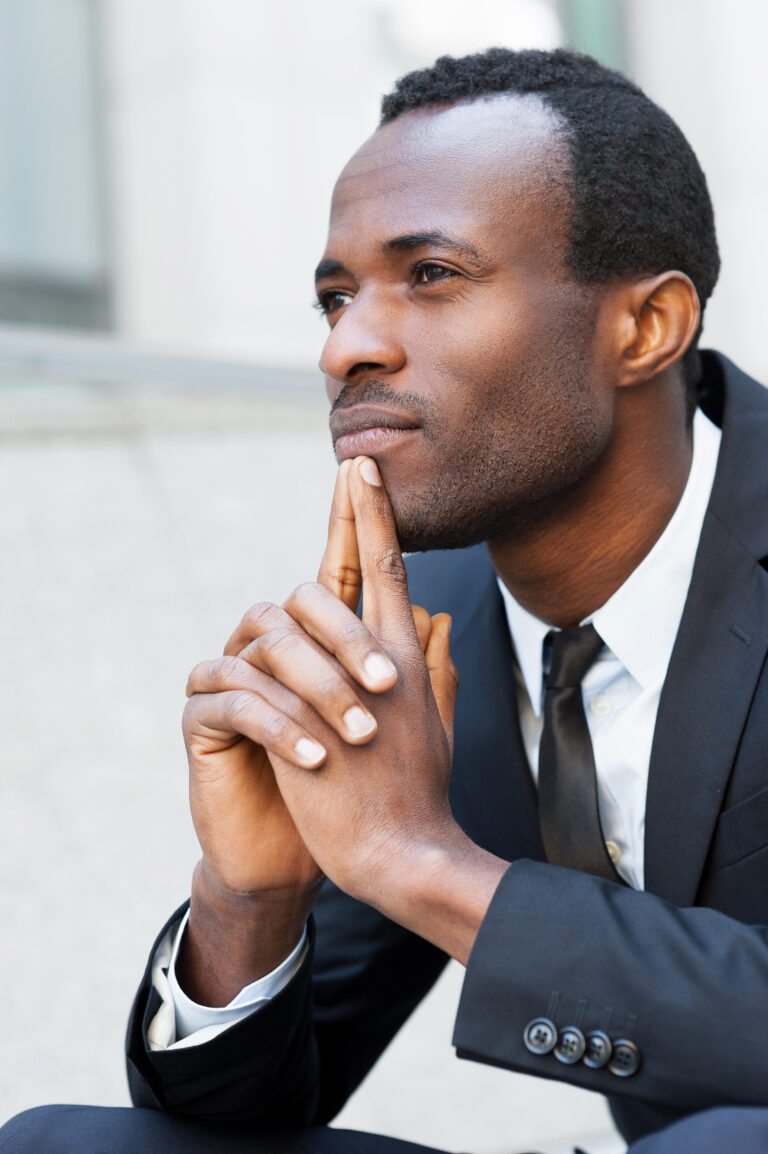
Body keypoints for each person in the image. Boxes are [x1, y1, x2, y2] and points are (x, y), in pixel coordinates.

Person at [3, 46, 768, 1154]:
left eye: (433, 274)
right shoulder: (425, 627)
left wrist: (426, 863)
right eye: (335, 294)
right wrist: (247, 900)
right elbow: (243, 1121)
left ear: (642, 328)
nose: (346, 344)